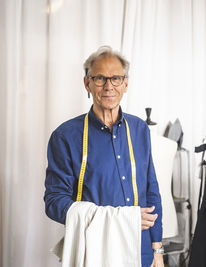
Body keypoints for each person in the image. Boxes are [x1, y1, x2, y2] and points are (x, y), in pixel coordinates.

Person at [44, 46, 164, 266]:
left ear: (125, 84)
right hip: (94, 251)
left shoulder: (139, 129)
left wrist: (157, 248)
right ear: (87, 83)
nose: (109, 86)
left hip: (141, 250)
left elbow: (151, 190)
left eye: (116, 78)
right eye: (100, 78)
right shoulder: (65, 136)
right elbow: (54, 202)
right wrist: (115, 220)